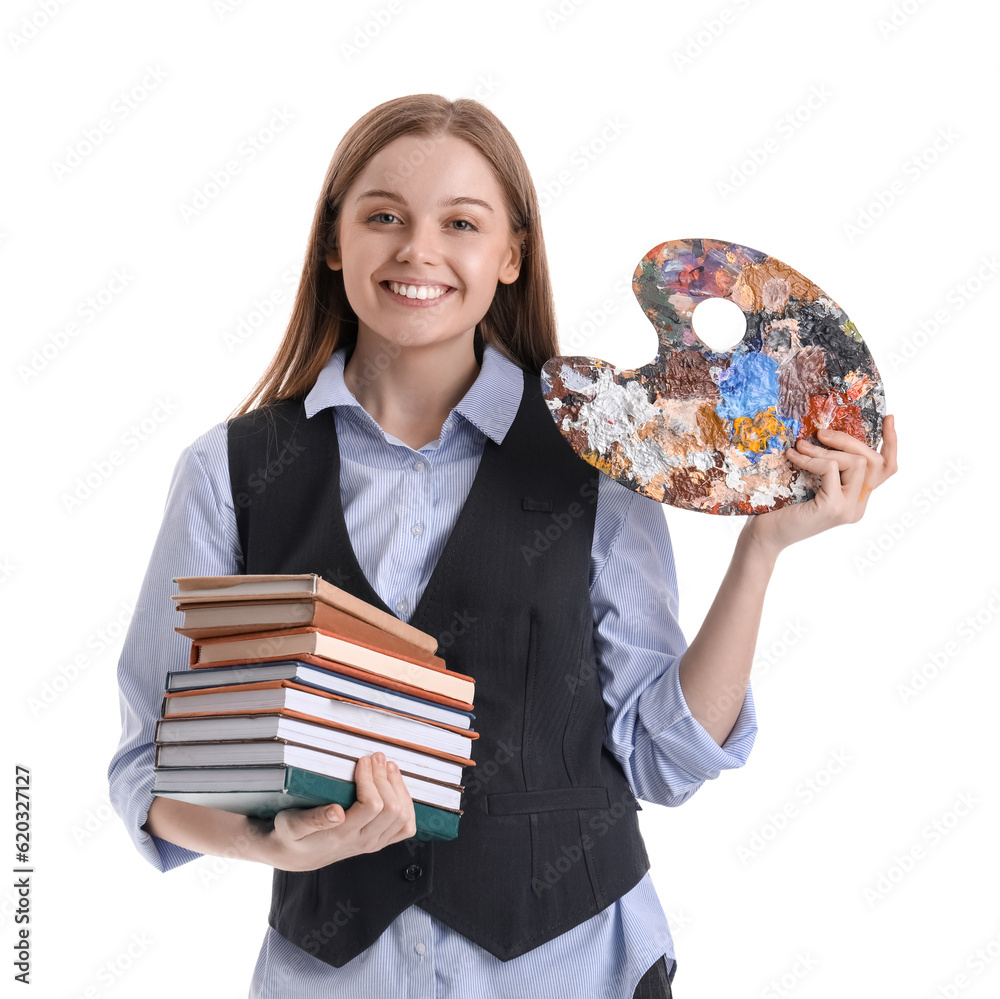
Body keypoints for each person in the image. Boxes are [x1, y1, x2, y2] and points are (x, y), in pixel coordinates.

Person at [107, 93, 897, 999]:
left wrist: (761, 553)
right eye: (384, 217)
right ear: (334, 242)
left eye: (462, 223)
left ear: (511, 254)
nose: (418, 250)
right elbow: (153, 765)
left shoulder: (594, 460)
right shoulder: (230, 472)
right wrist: (263, 838)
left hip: (573, 966)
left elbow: (661, 755)